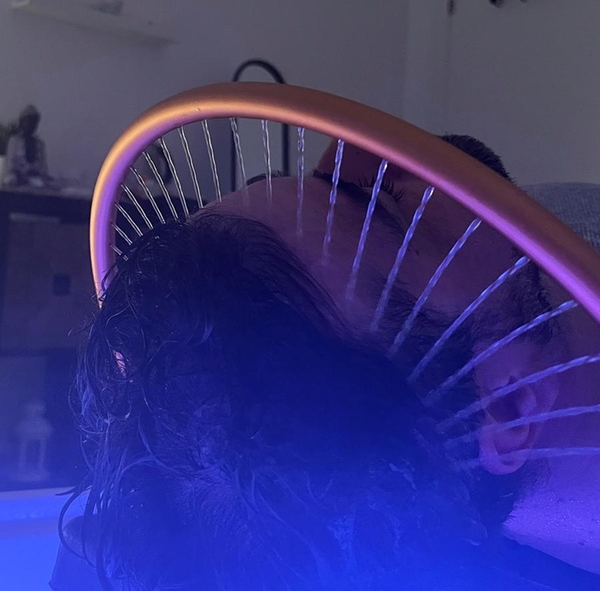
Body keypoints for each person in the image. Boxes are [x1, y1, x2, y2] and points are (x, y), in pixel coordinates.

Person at [51, 136, 600, 590]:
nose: (345, 148)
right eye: (382, 207)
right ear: (508, 408)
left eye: (292, 180)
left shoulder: (533, 239)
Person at [3, 105, 51, 188]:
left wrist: (37, 175)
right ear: (22, 122)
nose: (31, 125)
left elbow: (44, 170)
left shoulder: (40, 144)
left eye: (34, 122)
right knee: (9, 180)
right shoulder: (14, 141)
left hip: (35, 180)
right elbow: (10, 167)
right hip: (16, 179)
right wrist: (21, 176)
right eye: (29, 121)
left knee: (42, 184)